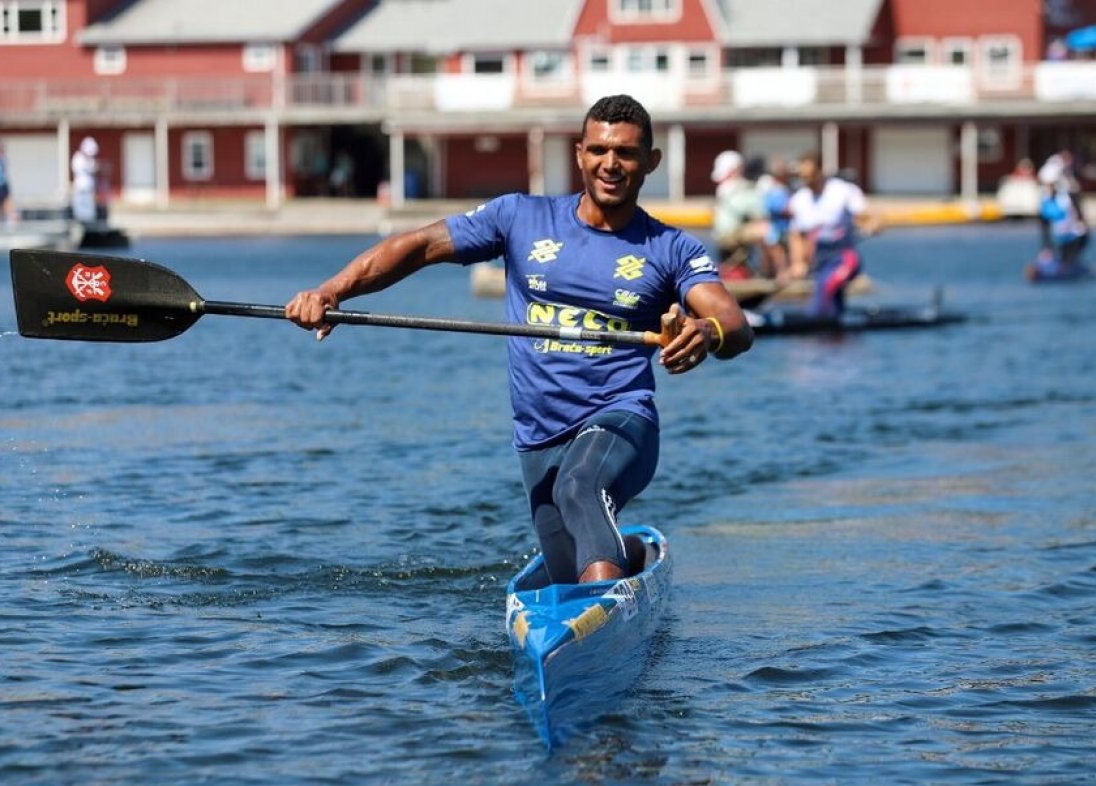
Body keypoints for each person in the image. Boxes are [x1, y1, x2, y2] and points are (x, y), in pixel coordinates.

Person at [286, 95, 753, 586]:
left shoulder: (671, 247)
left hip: (621, 417)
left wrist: (706, 330)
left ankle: (603, 615)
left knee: (580, 488)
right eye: (598, 150)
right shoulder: (520, 218)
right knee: (566, 569)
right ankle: (629, 556)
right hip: (538, 437)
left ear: (650, 162)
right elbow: (418, 247)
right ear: (579, 154)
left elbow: (734, 323)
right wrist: (331, 290)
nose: (610, 164)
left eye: (626, 154)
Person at [787, 152, 880, 318]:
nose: (806, 181)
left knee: (826, 288)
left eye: (810, 176)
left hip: (845, 256)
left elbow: (868, 216)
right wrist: (798, 262)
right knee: (829, 299)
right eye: (802, 177)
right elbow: (796, 235)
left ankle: (820, 327)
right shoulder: (799, 200)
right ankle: (836, 335)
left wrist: (873, 224)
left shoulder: (843, 191)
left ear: (821, 171)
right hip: (820, 259)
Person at [710, 149, 766, 278]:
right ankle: (769, 271)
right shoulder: (737, 188)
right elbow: (758, 212)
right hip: (730, 235)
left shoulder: (723, 188)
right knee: (764, 229)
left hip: (723, 235)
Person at [1033, 155, 1090, 277]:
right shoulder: (1045, 201)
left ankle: (1072, 266)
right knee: (1056, 260)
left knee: (1069, 261)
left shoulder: (1068, 196)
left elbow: (1080, 217)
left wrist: (1081, 225)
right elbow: (1045, 227)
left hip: (1075, 236)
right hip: (1061, 237)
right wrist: (1046, 248)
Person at [70, 136, 100, 223]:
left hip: (89, 186)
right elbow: (80, 168)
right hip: (81, 185)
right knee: (80, 203)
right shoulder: (78, 157)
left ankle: (89, 220)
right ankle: (80, 220)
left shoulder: (90, 159)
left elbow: (93, 168)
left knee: (89, 204)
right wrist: (89, 167)